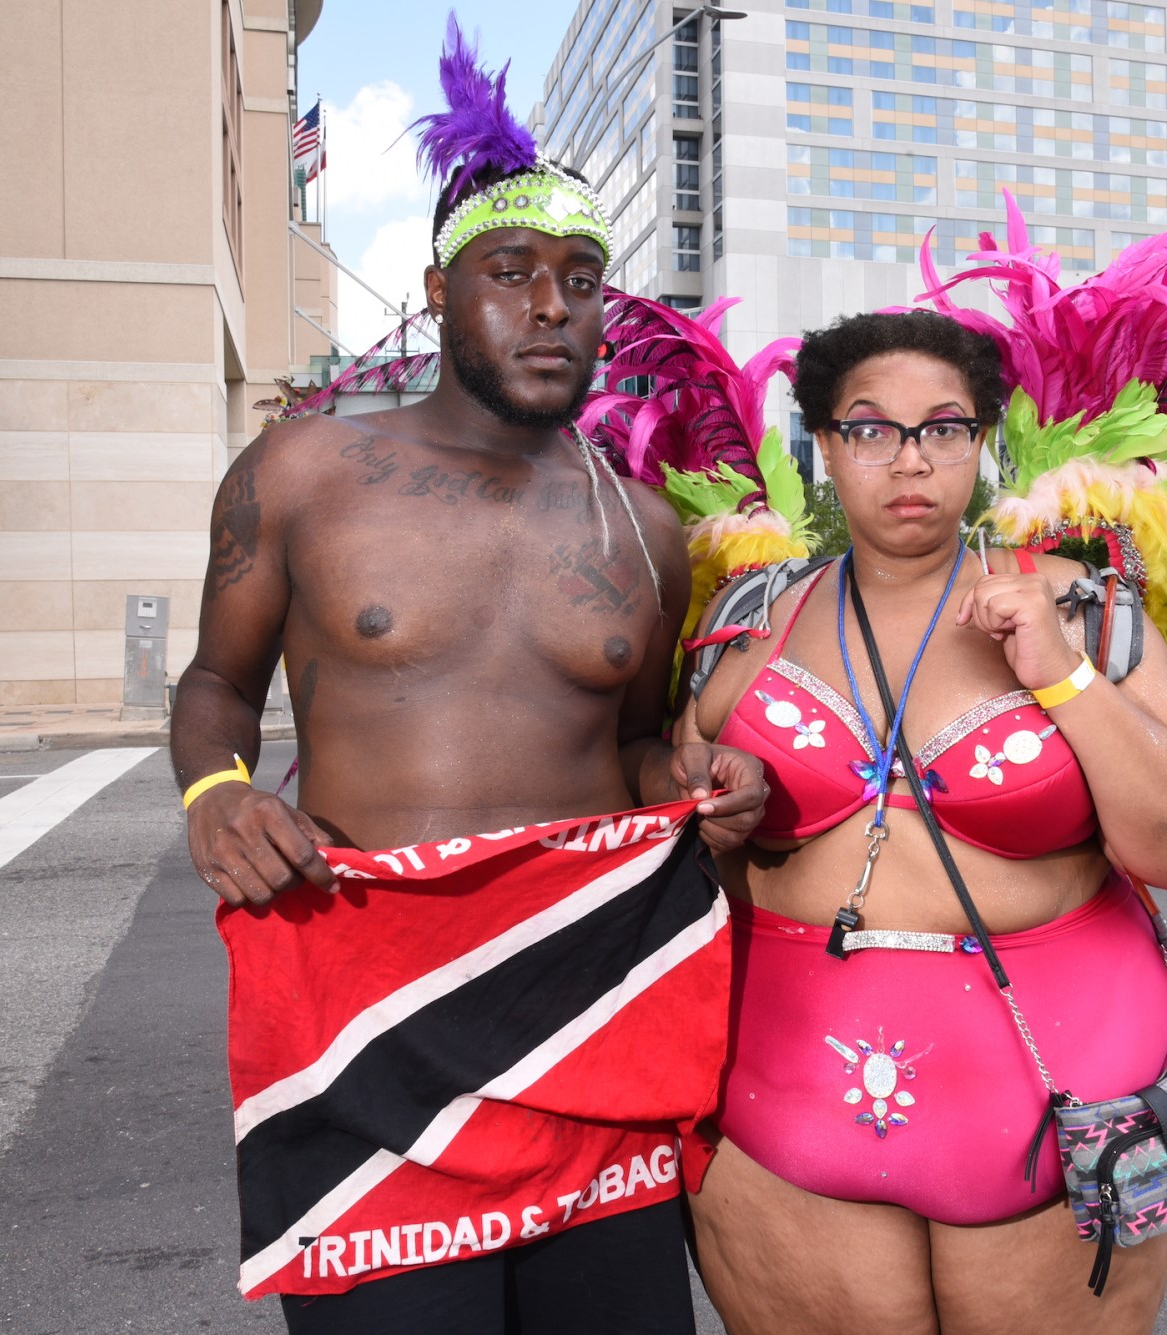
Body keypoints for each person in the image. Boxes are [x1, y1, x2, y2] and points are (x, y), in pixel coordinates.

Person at [171, 21, 765, 1331]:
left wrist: (707, 781)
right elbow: (215, 681)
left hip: (586, 1009)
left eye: (582, 277)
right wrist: (216, 791)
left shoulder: (644, 526)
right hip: (367, 1019)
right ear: (440, 293)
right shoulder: (304, 472)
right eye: (512, 271)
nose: (553, 305)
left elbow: (637, 748)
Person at [676, 312, 1167, 1334]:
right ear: (822, 445)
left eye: (943, 428)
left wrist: (1061, 677)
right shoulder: (744, 621)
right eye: (869, 429)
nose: (910, 460)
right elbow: (660, 831)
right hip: (778, 1115)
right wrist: (707, 811)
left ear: (981, 444)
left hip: (1062, 1114)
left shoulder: (1082, 607)